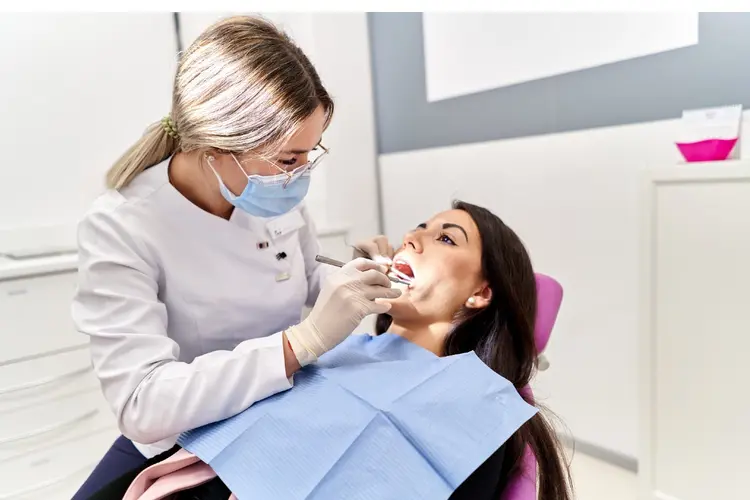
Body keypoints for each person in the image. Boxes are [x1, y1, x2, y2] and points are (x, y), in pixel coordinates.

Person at [71, 16, 400, 499]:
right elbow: (142, 403)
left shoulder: (269, 190)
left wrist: (352, 275)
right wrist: (300, 344)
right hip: (188, 432)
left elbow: (300, 275)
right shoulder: (122, 227)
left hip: (282, 405)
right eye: (290, 158)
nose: (302, 172)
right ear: (215, 147)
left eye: (309, 154)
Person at [87, 201, 573, 500]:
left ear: (480, 294)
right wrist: (310, 337)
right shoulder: (338, 349)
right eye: (418, 229)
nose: (412, 239)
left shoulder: (476, 409)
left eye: (445, 238)